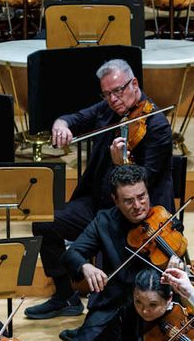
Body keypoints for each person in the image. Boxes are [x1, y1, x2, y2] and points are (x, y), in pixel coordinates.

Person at [27, 59, 173, 320]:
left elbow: (146, 181)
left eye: (118, 91)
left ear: (134, 84)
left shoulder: (156, 124)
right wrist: (62, 124)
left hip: (133, 213)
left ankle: (101, 318)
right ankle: (65, 296)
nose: (113, 99)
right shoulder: (108, 110)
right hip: (97, 203)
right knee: (44, 223)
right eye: (106, 94)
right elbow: (77, 118)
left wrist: (122, 164)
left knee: (108, 241)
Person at [57, 164, 179, 341]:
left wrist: (177, 265)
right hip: (114, 302)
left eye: (142, 197)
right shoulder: (103, 221)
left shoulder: (165, 221)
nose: (138, 206)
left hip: (153, 306)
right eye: (128, 200)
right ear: (115, 200)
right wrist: (86, 266)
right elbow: (72, 254)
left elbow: (178, 261)